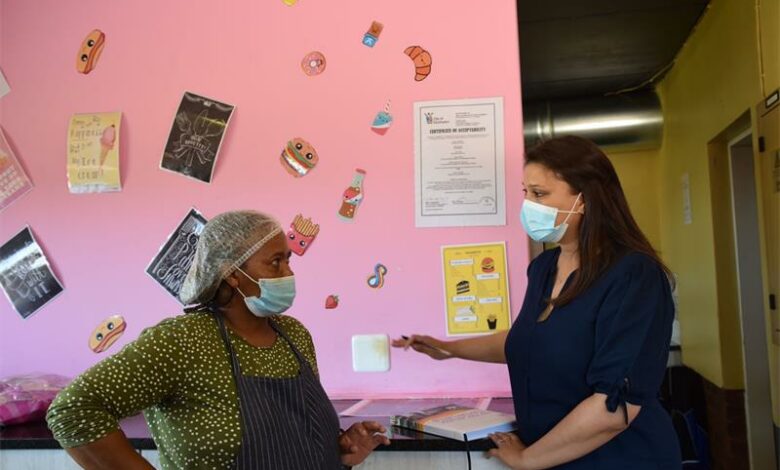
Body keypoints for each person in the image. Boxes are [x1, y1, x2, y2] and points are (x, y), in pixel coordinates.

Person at [393, 136, 682, 469]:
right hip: (554, 457)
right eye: (525, 192)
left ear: (586, 199)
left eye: (540, 193)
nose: (528, 204)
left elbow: (614, 408)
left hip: (622, 459)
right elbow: (531, 340)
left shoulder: (634, 275)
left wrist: (528, 459)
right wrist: (449, 348)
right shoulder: (544, 267)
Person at [47, 210, 389, 469]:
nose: (289, 273)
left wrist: (340, 449)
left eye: (288, 261)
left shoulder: (294, 336)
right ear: (232, 274)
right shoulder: (182, 341)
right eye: (275, 263)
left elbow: (295, 439)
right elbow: (73, 410)